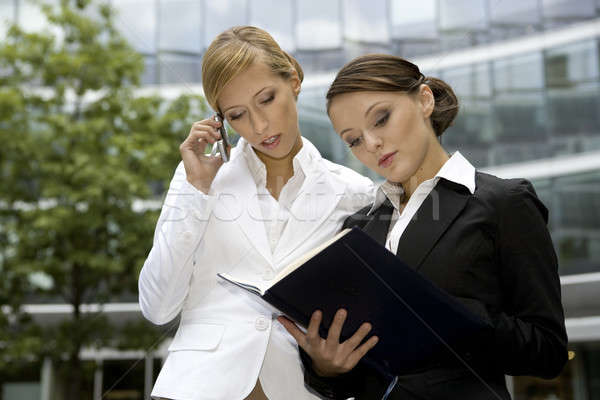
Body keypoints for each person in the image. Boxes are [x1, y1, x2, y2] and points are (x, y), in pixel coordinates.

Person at [279, 54, 568, 400]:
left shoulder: (504, 202)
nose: (371, 144)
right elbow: (363, 375)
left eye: (381, 119)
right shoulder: (357, 230)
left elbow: (548, 351)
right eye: (353, 140)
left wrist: (461, 318)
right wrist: (327, 367)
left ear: (424, 100)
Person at [137, 26, 375, 400]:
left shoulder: (355, 192)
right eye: (238, 114)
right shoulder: (198, 180)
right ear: (221, 121)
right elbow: (157, 307)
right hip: (197, 386)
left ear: (293, 81)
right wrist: (195, 192)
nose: (259, 126)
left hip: (298, 389)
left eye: (267, 98)